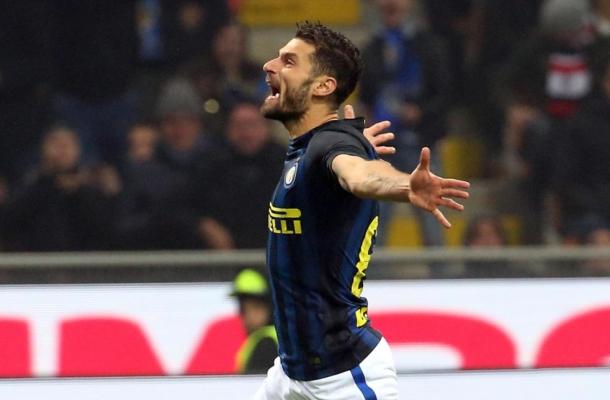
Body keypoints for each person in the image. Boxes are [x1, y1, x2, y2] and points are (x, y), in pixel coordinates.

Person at [255, 22, 469, 399]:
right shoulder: (313, 148)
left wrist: (405, 186)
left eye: (288, 61)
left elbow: (361, 175)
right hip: (289, 373)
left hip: (344, 376)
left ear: (323, 86)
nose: (268, 66)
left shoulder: (330, 146)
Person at [231, 268, 278, 374]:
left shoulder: (266, 343)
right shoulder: (271, 338)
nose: (250, 315)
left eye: (257, 307)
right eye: (245, 308)